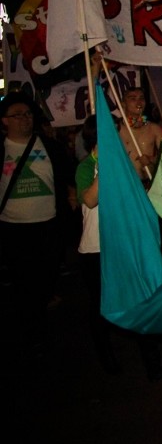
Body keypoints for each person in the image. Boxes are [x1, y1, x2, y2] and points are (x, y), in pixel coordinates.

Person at [75, 115, 162, 380]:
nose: (121, 138)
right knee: (101, 306)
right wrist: (105, 168)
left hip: (124, 245)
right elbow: (90, 200)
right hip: (96, 249)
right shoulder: (85, 167)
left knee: (139, 300)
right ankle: (108, 359)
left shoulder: (124, 163)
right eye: (114, 132)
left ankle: (152, 363)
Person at [0, 92, 75, 353]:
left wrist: (71, 193)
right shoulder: (3, 149)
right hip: (13, 228)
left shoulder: (48, 146)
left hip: (48, 224)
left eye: (28, 114)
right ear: (5, 121)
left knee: (47, 277)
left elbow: (68, 173)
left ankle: (38, 315)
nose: (24, 119)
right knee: (23, 280)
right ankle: (31, 327)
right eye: (17, 115)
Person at [116, 86, 162, 186]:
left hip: (149, 184)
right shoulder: (116, 129)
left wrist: (151, 159)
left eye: (141, 98)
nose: (139, 102)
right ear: (123, 104)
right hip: (126, 184)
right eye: (133, 99)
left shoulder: (154, 128)